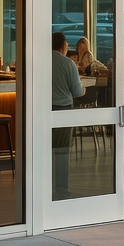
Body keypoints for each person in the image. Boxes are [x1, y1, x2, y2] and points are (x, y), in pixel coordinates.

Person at [51, 32, 85, 200]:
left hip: (44, 110)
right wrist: (84, 88)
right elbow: (77, 91)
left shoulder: (40, 61)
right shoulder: (68, 63)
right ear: (64, 45)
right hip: (63, 109)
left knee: (44, 150)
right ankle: (61, 189)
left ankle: (43, 186)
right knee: (62, 152)